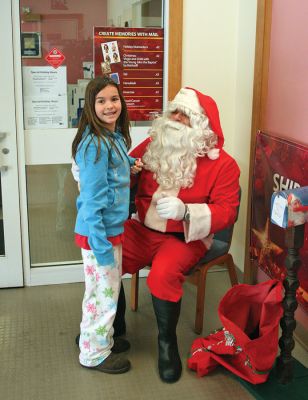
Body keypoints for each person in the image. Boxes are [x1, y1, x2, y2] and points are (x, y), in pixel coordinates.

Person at [72, 86, 240, 382]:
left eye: (184, 115)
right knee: (110, 259)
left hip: (184, 237)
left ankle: (167, 344)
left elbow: (228, 211)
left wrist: (186, 211)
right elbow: (119, 171)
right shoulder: (155, 143)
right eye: (173, 111)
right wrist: (131, 173)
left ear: (202, 124)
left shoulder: (223, 164)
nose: (175, 118)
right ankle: (108, 328)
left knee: (161, 275)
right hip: (142, 229)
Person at [71, 76, 140, 374]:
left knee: (103, 292)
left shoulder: (110, 139)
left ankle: (101, 339)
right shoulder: (96, 146)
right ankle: (94, 353)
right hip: (100, 237)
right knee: (103, 295)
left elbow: (110, 177)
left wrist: (130, 165)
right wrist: (100, 247)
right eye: (101, 101)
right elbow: (91, 203)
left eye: (114, 99)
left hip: (108, 233)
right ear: (91, 106)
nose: (110, 106)